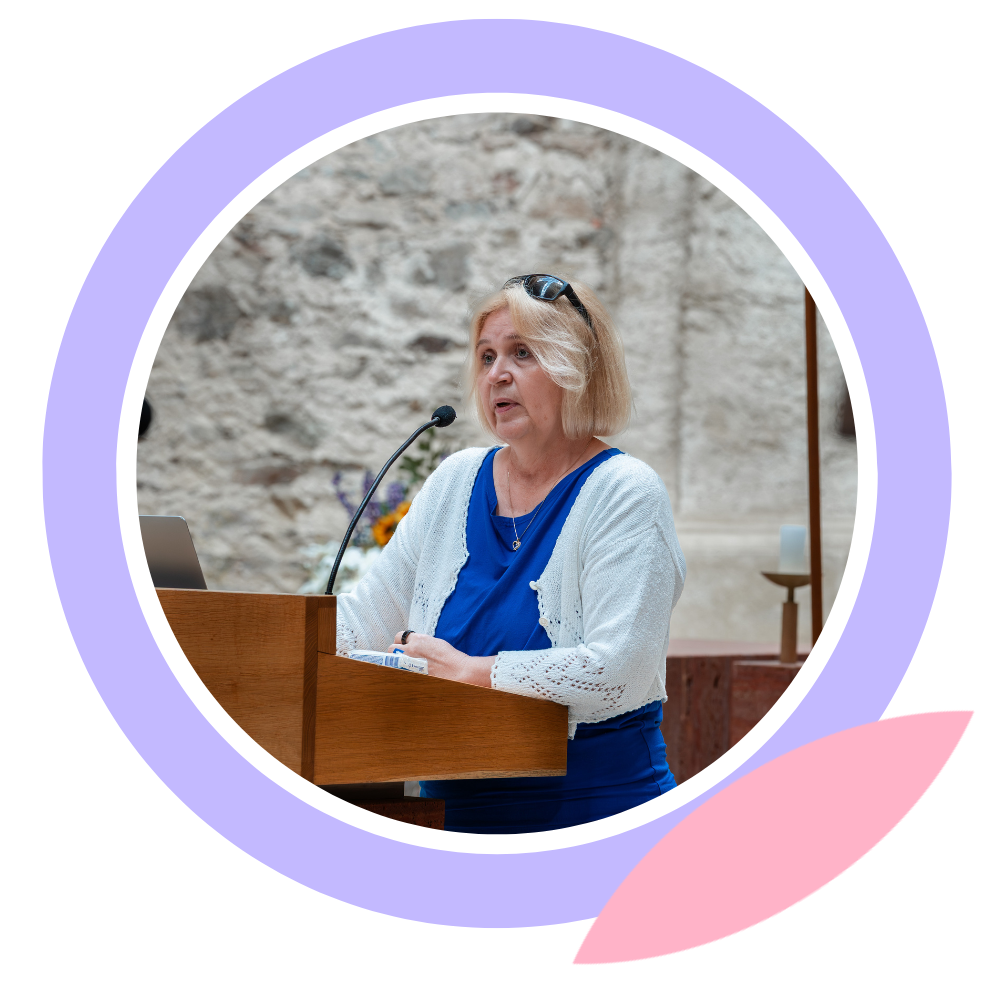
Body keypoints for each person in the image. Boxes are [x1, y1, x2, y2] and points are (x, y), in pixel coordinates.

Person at [336, 274, 686, 834]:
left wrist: (472, 673)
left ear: (576, 368)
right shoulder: (454, 481)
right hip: (447, 820)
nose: (496, 373)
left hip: (596, 814)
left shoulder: (624, 491)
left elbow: (618, 671)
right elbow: (365, 620)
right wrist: (264, 635)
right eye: (486, 356)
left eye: (522, 353)